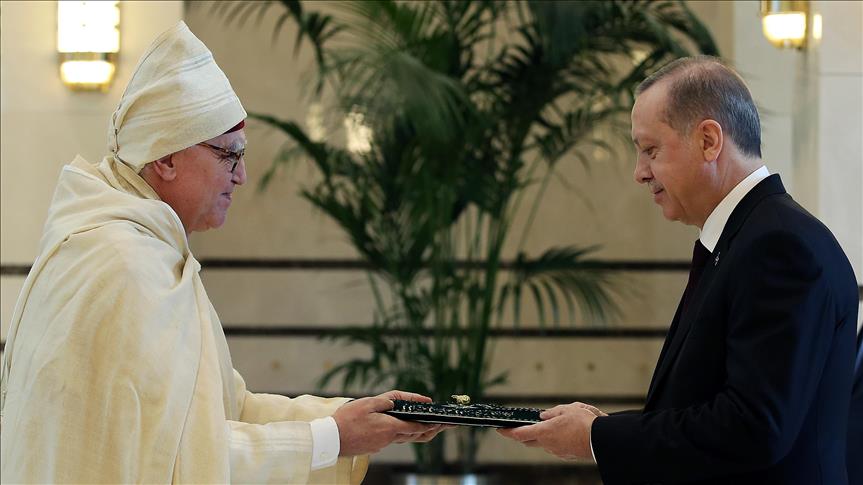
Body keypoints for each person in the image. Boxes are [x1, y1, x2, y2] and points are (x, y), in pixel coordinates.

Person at [0, 21, 443, 484]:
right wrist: (333, 437)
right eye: (228, 154)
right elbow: (174, 460)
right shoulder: (119, 265)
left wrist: (352, 419)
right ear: (165, 158)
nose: (241, 176)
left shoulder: (147, 252)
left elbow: (226, 409)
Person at [499, 56, 859, 484]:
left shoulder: (778, 246)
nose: (639, 173)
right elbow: (707, 404)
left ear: (709, 141)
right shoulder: (750, 237)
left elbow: (753, 427)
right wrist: (600, 428)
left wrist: (595, 437)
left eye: (650, 150)